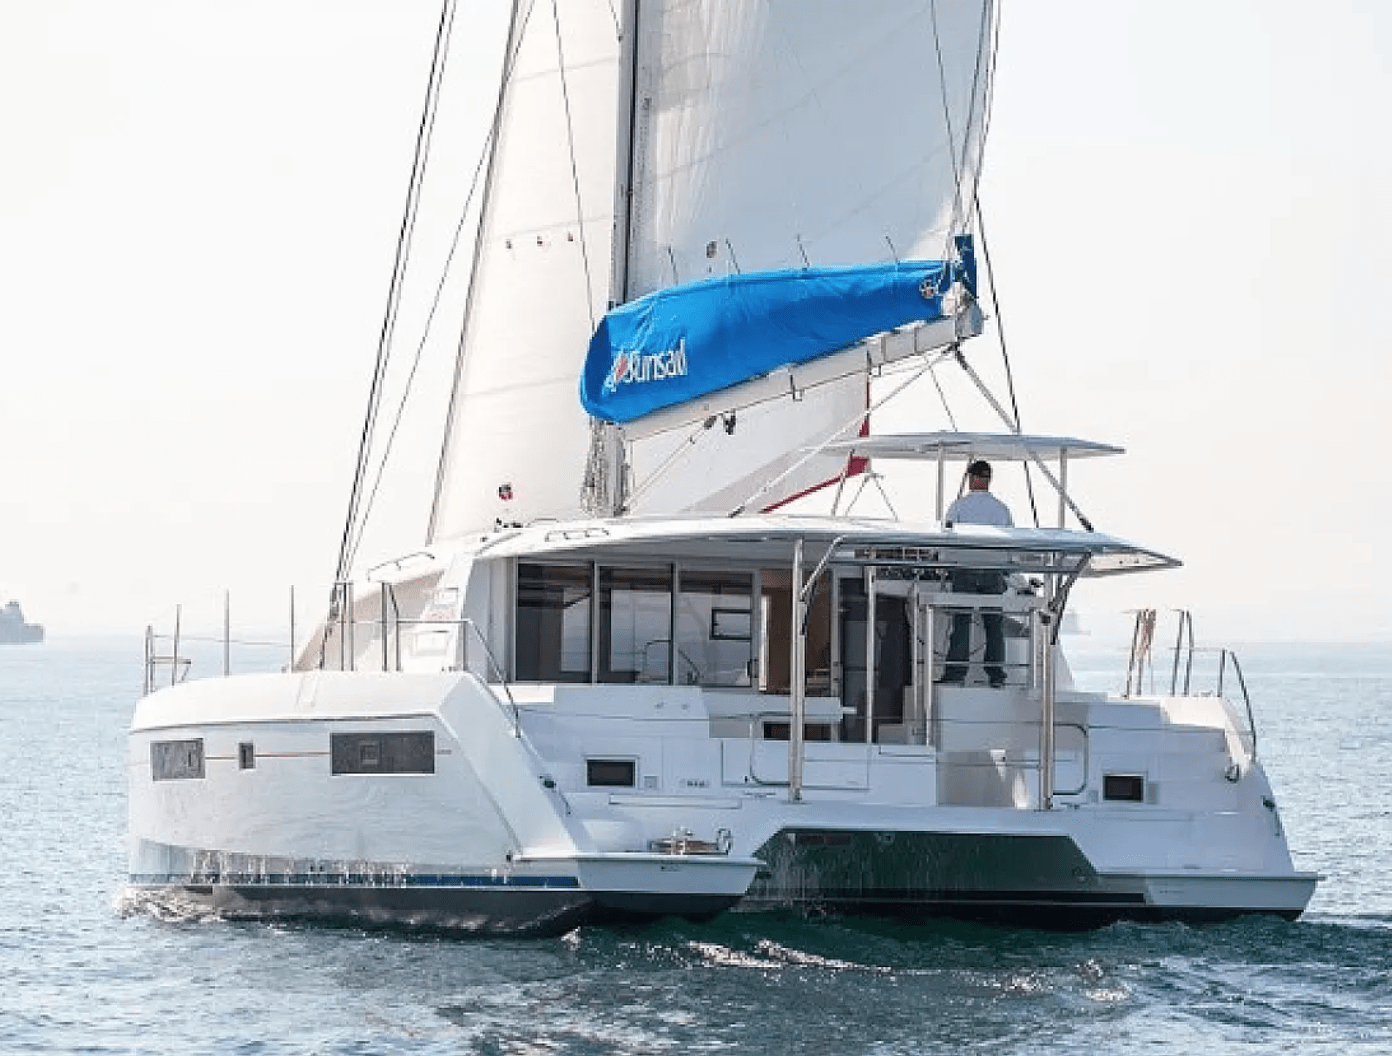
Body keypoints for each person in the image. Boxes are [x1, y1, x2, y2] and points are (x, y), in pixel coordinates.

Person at [941, 460, 1012, 687]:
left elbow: (947, 540)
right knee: (994, 625)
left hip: (965, 569)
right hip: (993, 572)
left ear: (971, 479)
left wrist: (945, 567)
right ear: (988, 479)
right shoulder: (1001, 509)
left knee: (961, 622)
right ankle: (996, 675)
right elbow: (1011, 543)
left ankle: (956, 673)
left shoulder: (958, 507)